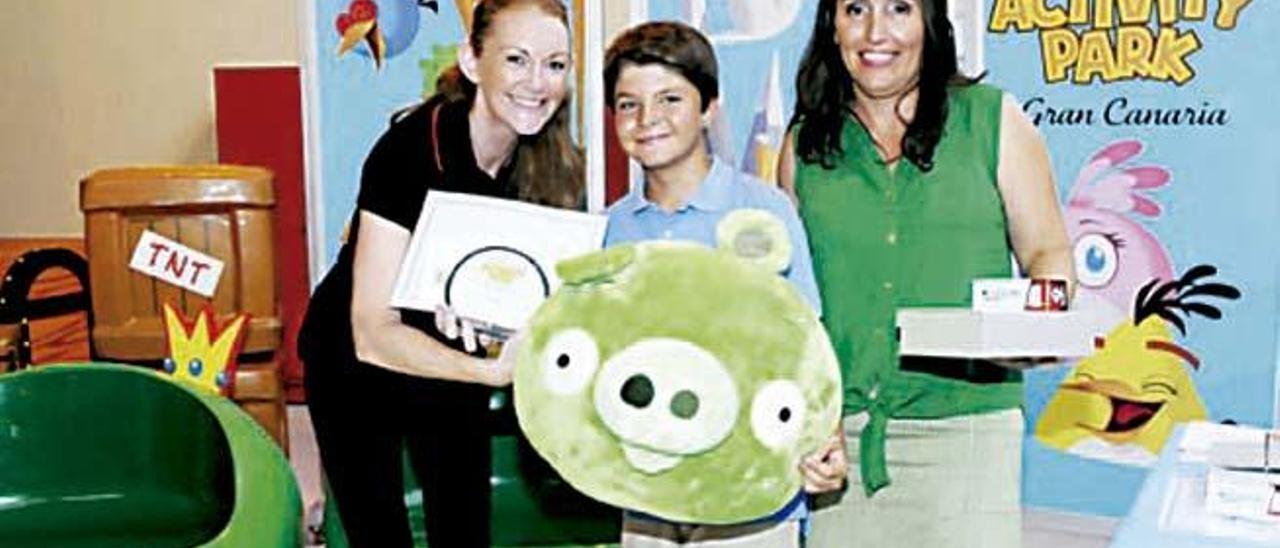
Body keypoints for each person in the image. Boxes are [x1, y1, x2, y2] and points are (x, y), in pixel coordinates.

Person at [777, 1, 1074, 547]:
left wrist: (1037, 326)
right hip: (839, 444)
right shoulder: (804, 145)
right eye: (855, 10)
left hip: (968, 433)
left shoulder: (991, 119)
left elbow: (1048, 252)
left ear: (929, 23)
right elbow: (790, 308)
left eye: (899, 9)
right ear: (831, 26)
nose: (875, 33)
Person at [297, 1, 582, 546]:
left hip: (447, 357)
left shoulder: (550, 162)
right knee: (379, 532)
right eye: (517, 59)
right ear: (472, 61)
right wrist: (490, 374)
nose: (537, 83)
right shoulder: (408, 151)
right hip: (355, 361)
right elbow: (372, 331)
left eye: (555, 64)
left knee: (464, 525)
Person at [602, 21, 845, 547]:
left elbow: (805, 344)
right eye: (628, 104)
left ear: (709, 106)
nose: (648, 120)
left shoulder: (762, 210)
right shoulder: (610, 227)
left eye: (670, 99)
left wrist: (827, 439)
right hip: (646, 486)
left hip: (749, 483)